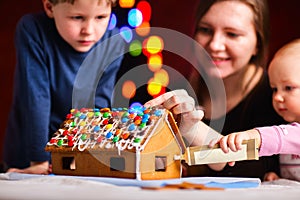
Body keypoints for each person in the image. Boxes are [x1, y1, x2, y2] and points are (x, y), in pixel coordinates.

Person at [145, 0, 286, 181]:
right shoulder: (180, 92)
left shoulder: (278, 98)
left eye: (232, 34)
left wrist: (193, 129)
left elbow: (256, 170)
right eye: (206, 30)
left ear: (258, 43)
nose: (215, 45)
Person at [3, 0, 124, 174]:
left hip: (77, 155)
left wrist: (87, 157)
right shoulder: (33, 29)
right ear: (50, 7)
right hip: (29, 154)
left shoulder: (113, 43)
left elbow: (98, 108)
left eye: (100, 17)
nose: (88, 30)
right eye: (77, 17)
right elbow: (37, 98)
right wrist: (39, 160)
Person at [216, 39, 300, 181]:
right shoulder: (283, 122)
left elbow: (281, 137)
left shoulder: (288, 134)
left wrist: (254, 136)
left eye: (288, 88)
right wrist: (277, 176)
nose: (278, 97)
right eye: (274, 89)